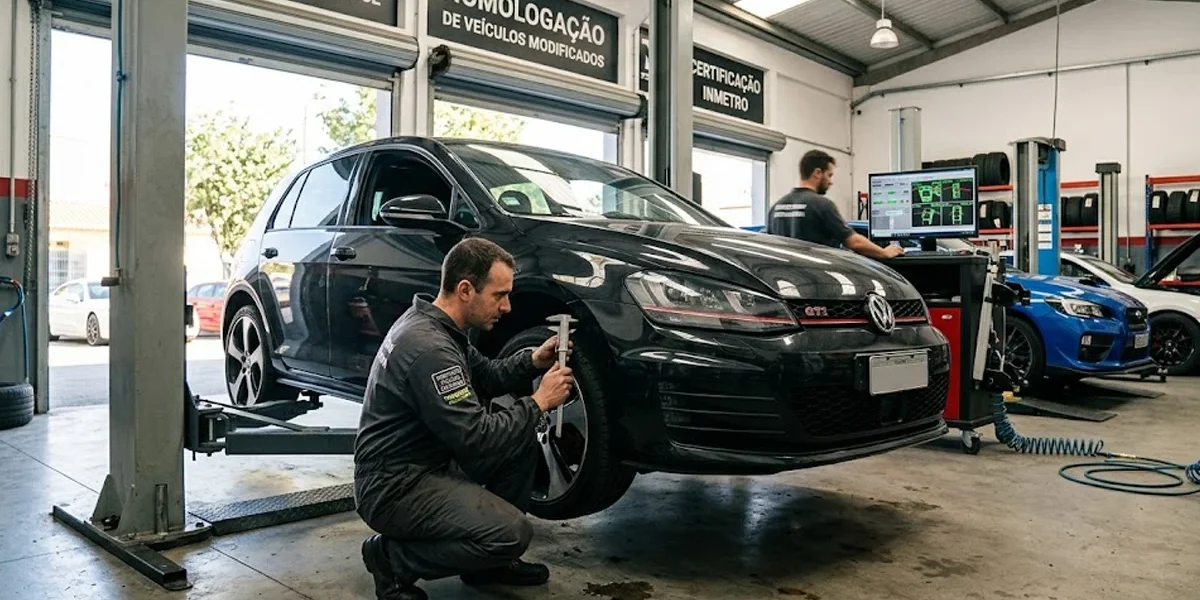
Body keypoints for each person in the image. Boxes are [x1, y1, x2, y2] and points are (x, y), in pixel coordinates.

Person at [353, 237, 575, 600]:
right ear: (466, 290)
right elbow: (477, 438)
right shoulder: (430, 349)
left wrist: (532, 361)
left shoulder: (436, 325)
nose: (507, 307)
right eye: (499, 295)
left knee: (519, 442)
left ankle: (486, 566)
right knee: (512, 533)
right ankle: (391, 560)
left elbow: (486, 375)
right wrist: (539, 402)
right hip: (395, 486)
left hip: (424, 463)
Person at [767, 149, 904, 260]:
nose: (831, 182)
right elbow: (854, 242)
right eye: (829, 175)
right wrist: (884, 252)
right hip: (819, 278)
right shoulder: (821, 205)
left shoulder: (775, 207)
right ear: (817, 173)